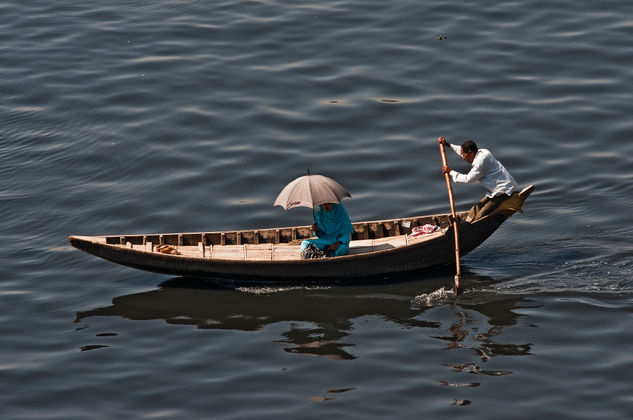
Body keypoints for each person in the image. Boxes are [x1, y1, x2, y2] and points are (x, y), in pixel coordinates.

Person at [438, 136, 518, 221]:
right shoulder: (483, 151)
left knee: (480, 216)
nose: (463, 158)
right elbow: (461, 151)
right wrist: (448, 145)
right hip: (496, 191)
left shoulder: (479, 164)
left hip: (504, 191)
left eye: (464, 156)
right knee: (473, 211)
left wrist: (451, 172)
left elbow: (467, 179)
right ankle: (467, 223)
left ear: (471, 153)